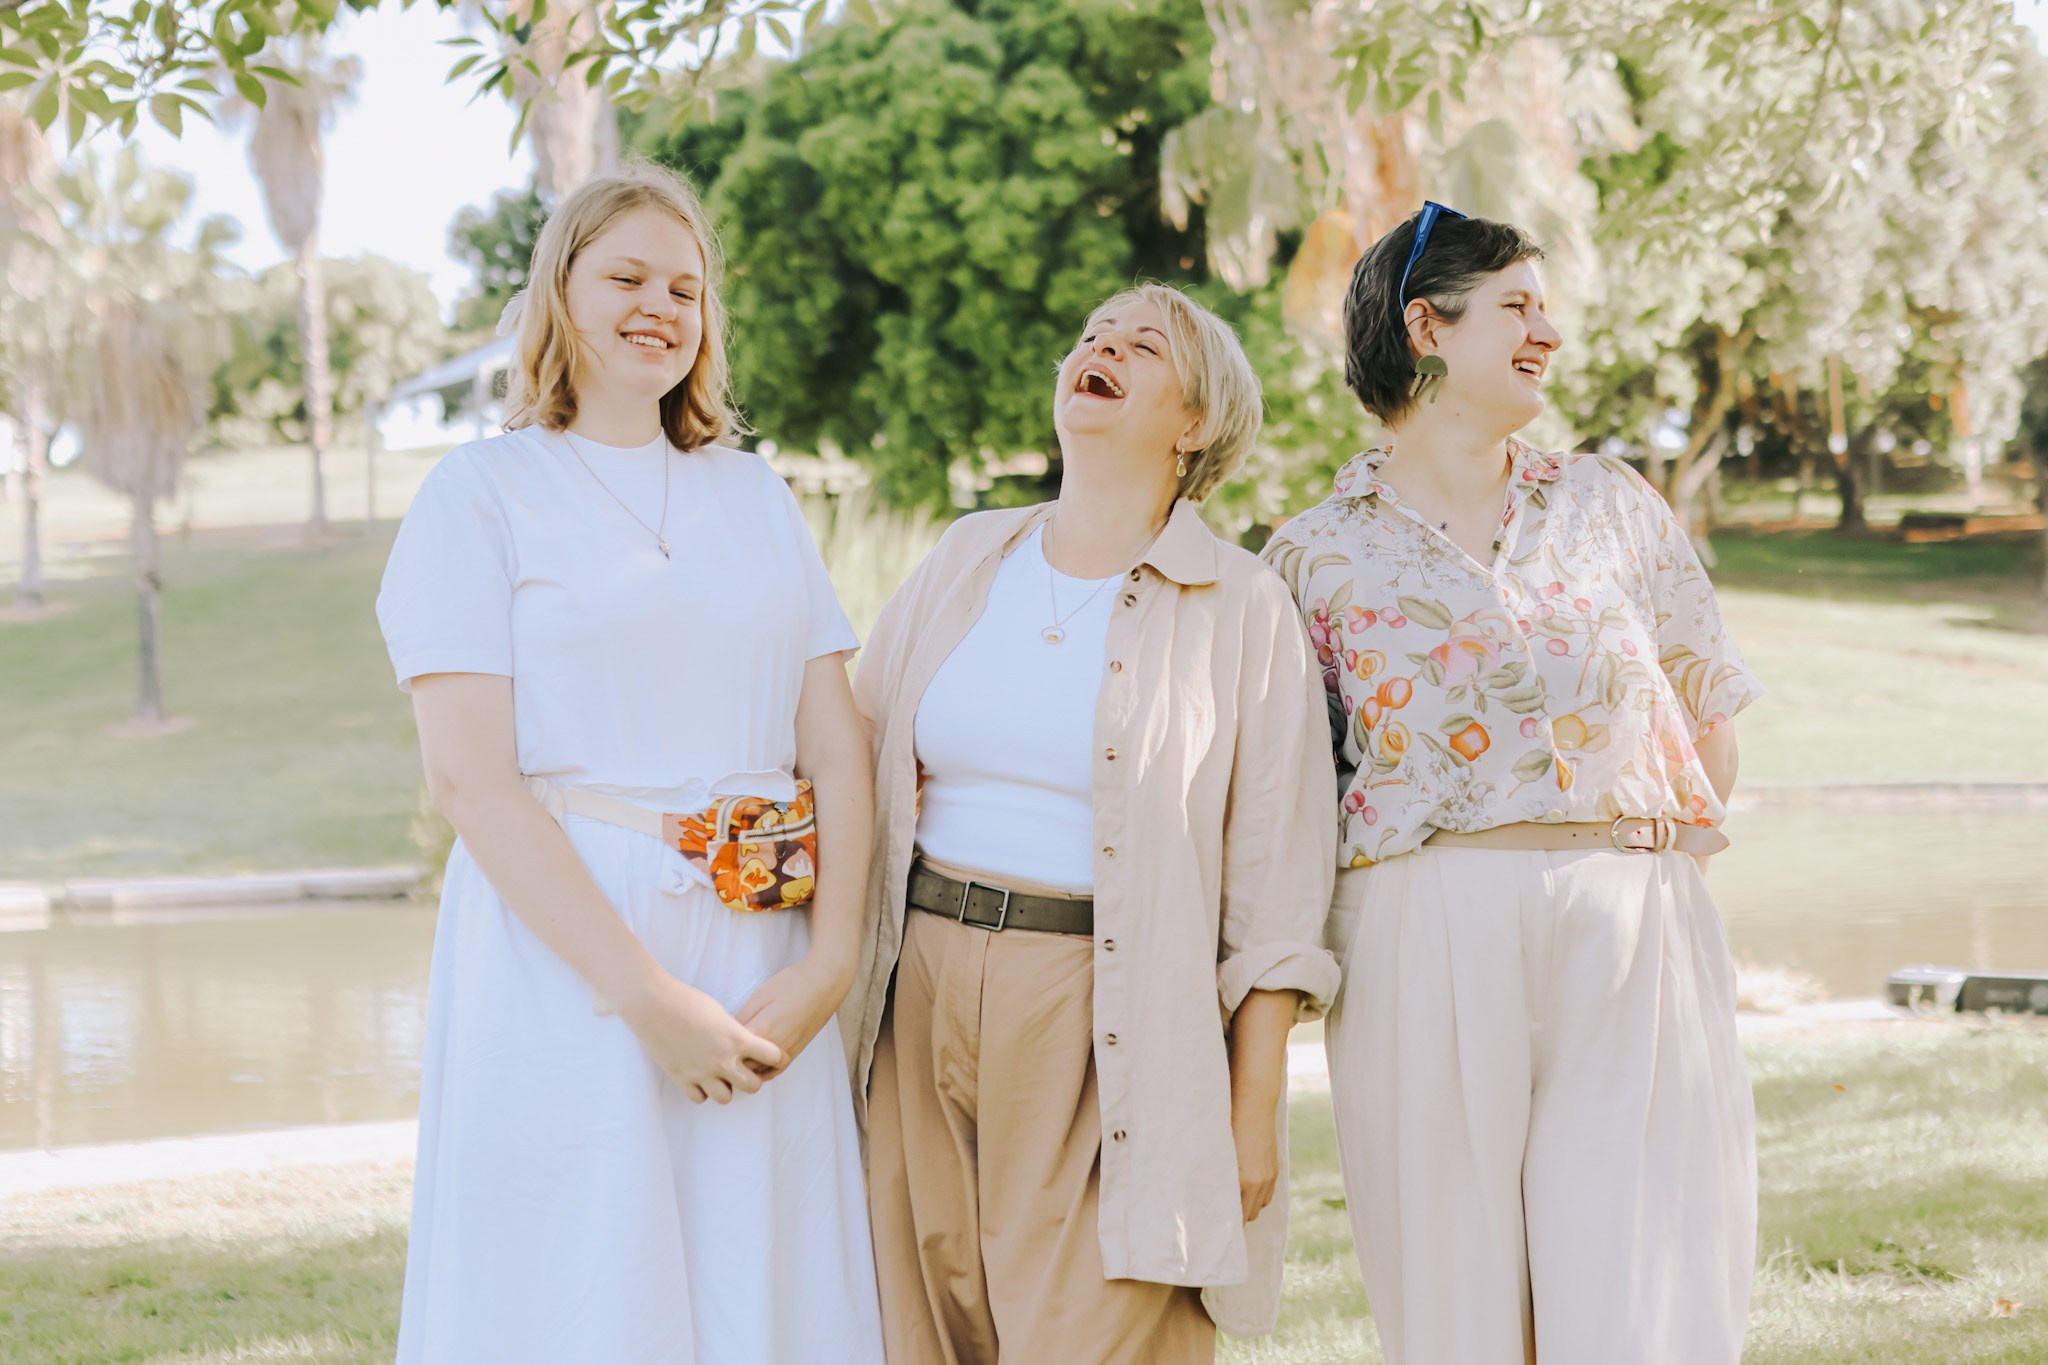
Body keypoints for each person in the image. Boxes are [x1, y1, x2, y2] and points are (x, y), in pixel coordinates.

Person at [375, 163, 884, 1364]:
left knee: (761, 1285)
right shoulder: (478, 495)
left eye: (685, 289)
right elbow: (470, 782)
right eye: (626, 278)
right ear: (560, 291)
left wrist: (830, 964)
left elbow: (836, 748)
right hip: (567, 955)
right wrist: (647, 998)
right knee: (581, 1291)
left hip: (760, 948)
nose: (659, 306)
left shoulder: (755, 496)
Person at [1263, 202, 1764, 1364]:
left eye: (1545, 306)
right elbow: (1292, 796)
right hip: (1419, 927)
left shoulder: (1610, 504)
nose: (1549, 330)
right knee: (1454, 1289)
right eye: (1517, 306)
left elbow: (1707, 711)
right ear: (1425, 327)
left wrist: (1639, 885)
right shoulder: (1311, 554)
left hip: (1628, 915)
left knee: (1635, 1284)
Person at [843, 283, 1339, 1364]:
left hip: (1107, 1006)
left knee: (1099, 1329)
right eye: (1090, 335)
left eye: (1142, 345)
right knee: (926, 1326)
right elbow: (854, 744)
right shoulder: (967, 556)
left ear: (1194, 423)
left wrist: (1252, 1108)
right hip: (919, 984)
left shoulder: (1242, 606)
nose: (1100, 347)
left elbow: (1276, 884)